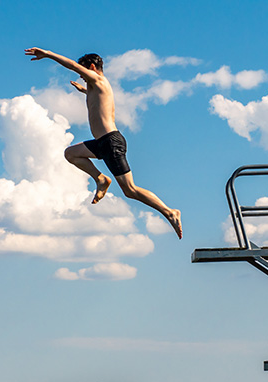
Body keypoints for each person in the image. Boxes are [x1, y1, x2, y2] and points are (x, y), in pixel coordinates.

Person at [25, 47, 182, 239]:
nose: (83, 78)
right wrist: (84, 91)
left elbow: (73, 66)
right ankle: (101, 179)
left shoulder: (99, 80)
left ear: (91, 67)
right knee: (71, 153)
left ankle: (169, 211)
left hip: (111, 142)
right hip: (102, 143)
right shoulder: (95, 87)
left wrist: (48, 54)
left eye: (85, 74)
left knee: (130, 190)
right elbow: (98, 100)